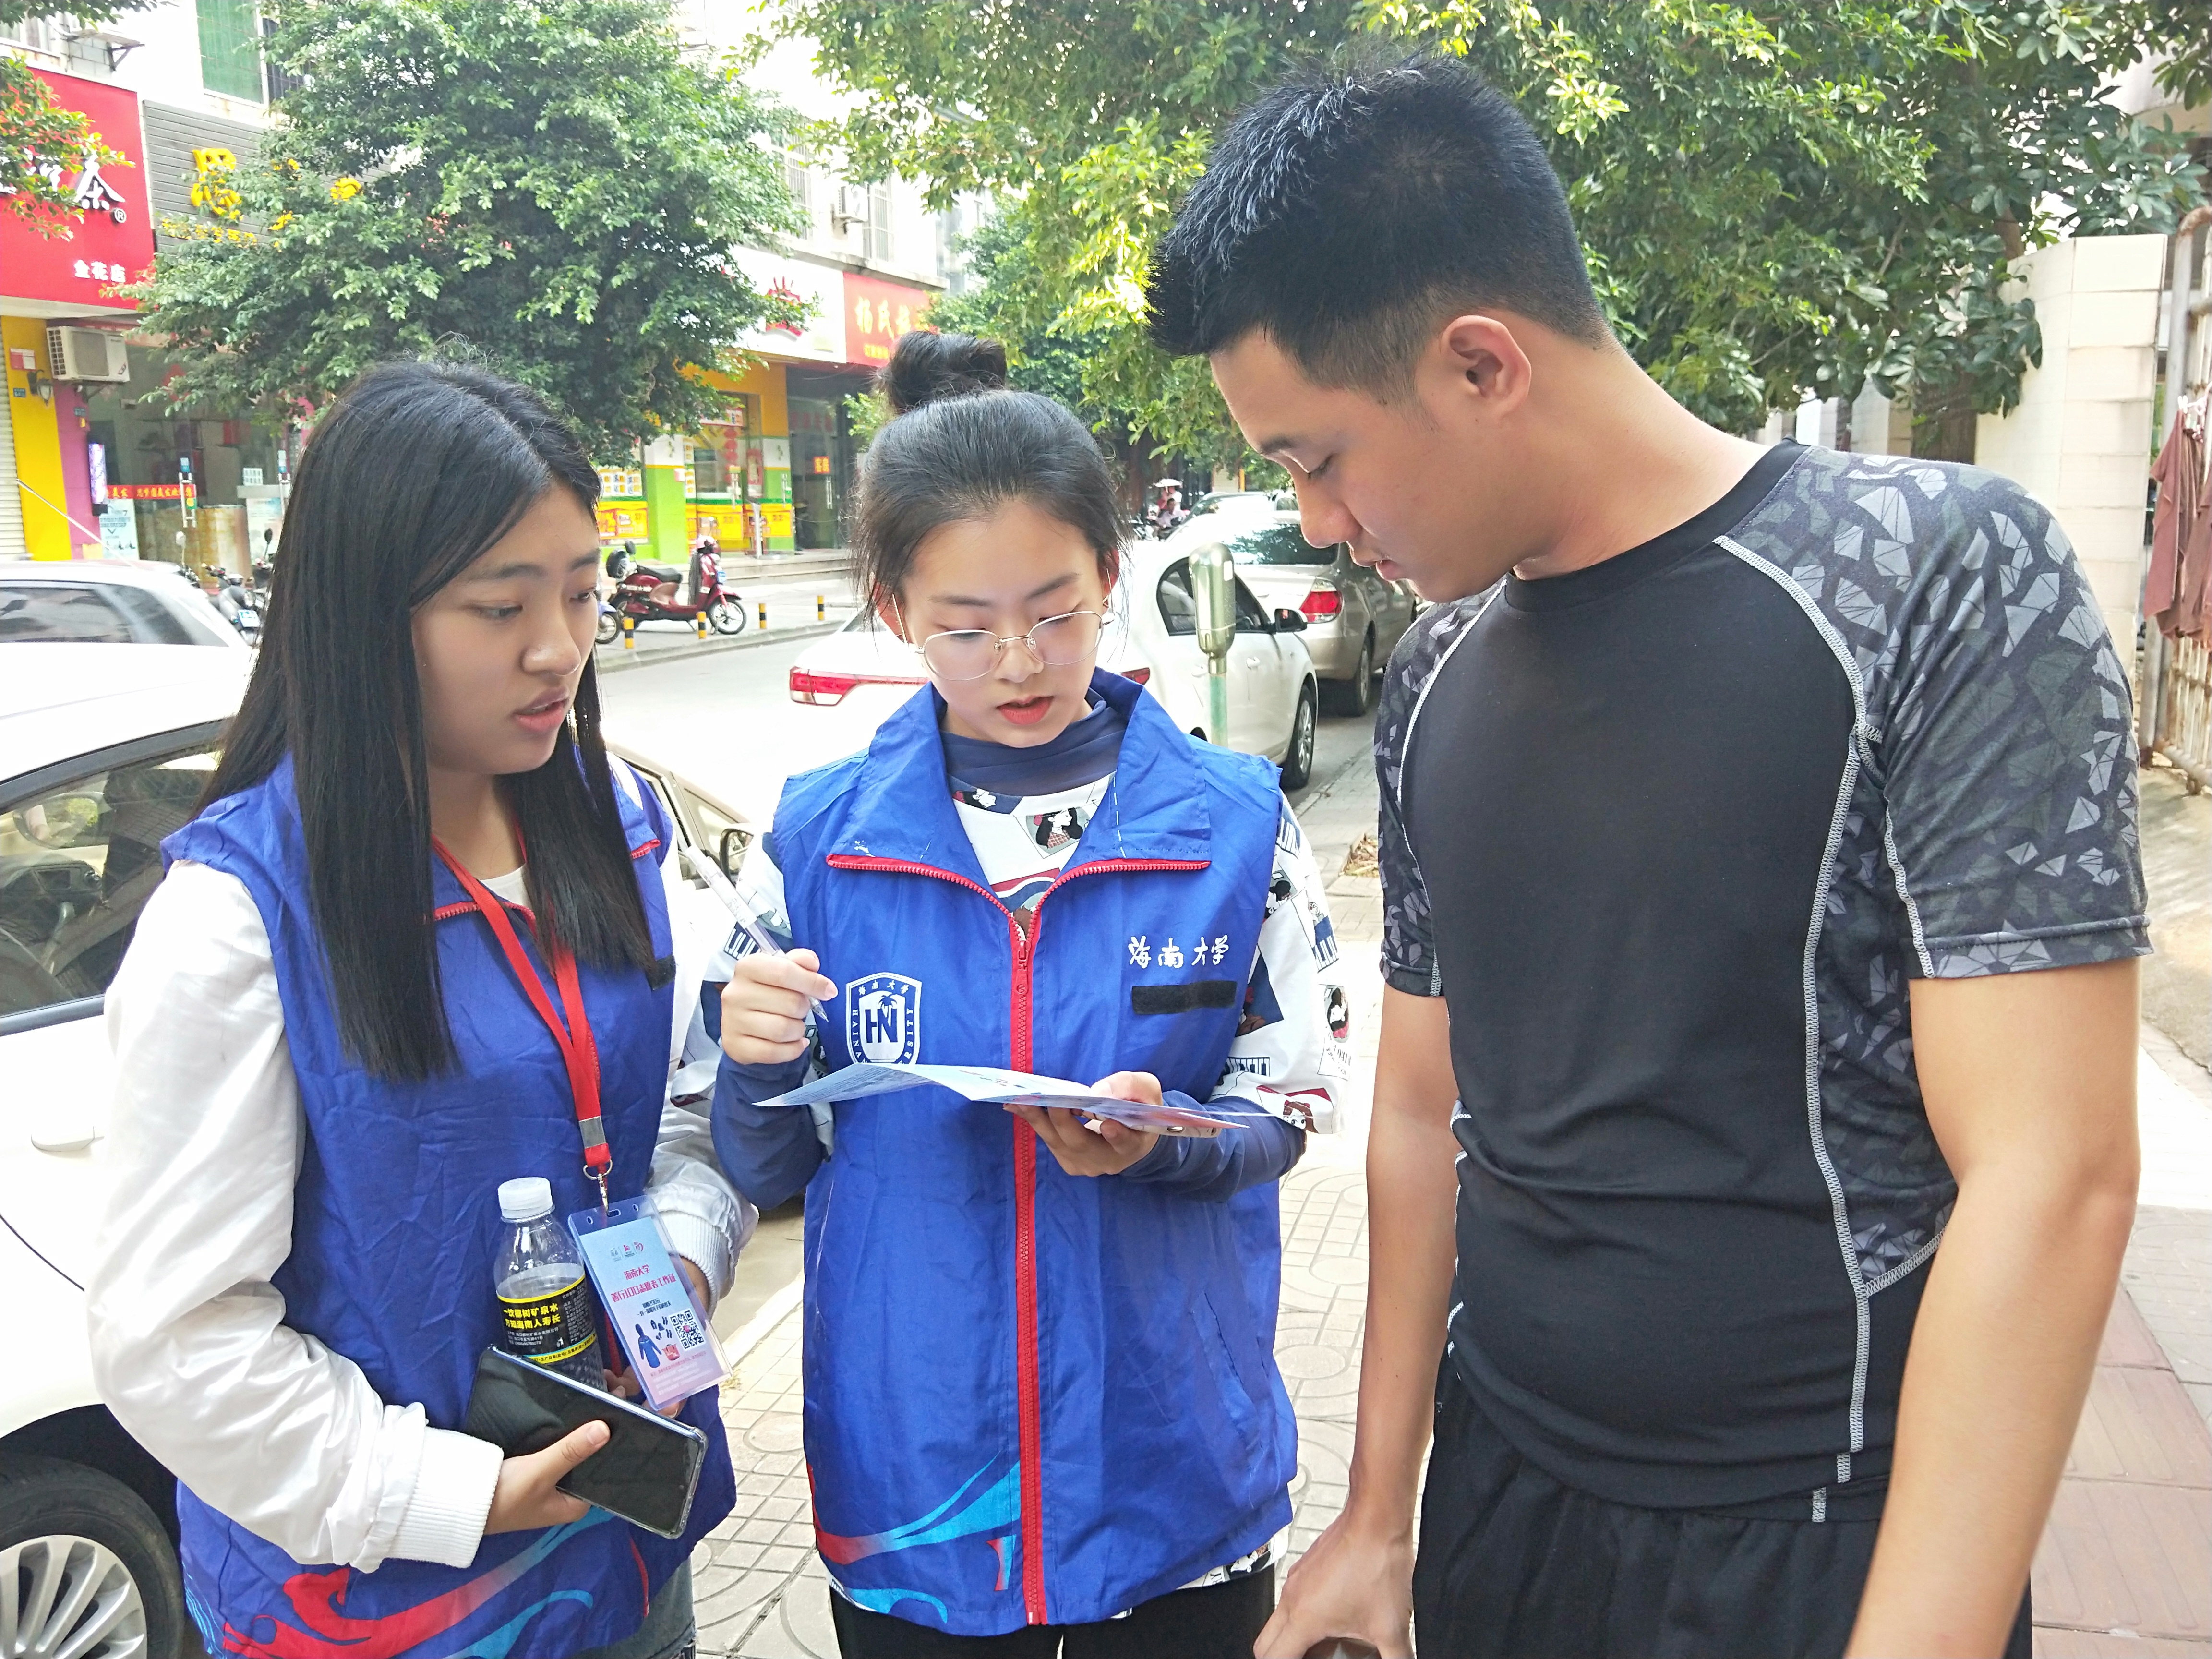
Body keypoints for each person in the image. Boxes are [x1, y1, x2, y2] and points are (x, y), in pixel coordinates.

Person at [1146, 51, 2147, 1659]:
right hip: (1504, 1501)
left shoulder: (1934, 577)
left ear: (1482, 364)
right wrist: (1379, 1515)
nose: (1319, 524)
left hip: (1819, 1539)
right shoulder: (1435, 673)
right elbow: (1418, 1109)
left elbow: (2054, 1174)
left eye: (1316, 459)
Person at [85, 361, 754, 1659]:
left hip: (620, 1548)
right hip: (387, 1601)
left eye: (581, 590)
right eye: (501, 606)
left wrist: (678, 1257)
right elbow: (175, 1344)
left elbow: (676, 1111)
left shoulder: (614, 823)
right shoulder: (240, 915)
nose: (559, 647)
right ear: (363, 617)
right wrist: (449, 1493)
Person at [707, 331, 1349, 1656]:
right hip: (918, 1481)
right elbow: (766, 1166)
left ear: (1111, 575)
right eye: (965, 625)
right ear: (894, 612)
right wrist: (755, 1059)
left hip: (1170, 1465)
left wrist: (1166, 1142)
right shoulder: (821, 843)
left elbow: (1288, 1107)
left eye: (1056, 611)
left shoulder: (1234, 827)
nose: (1018, 660)